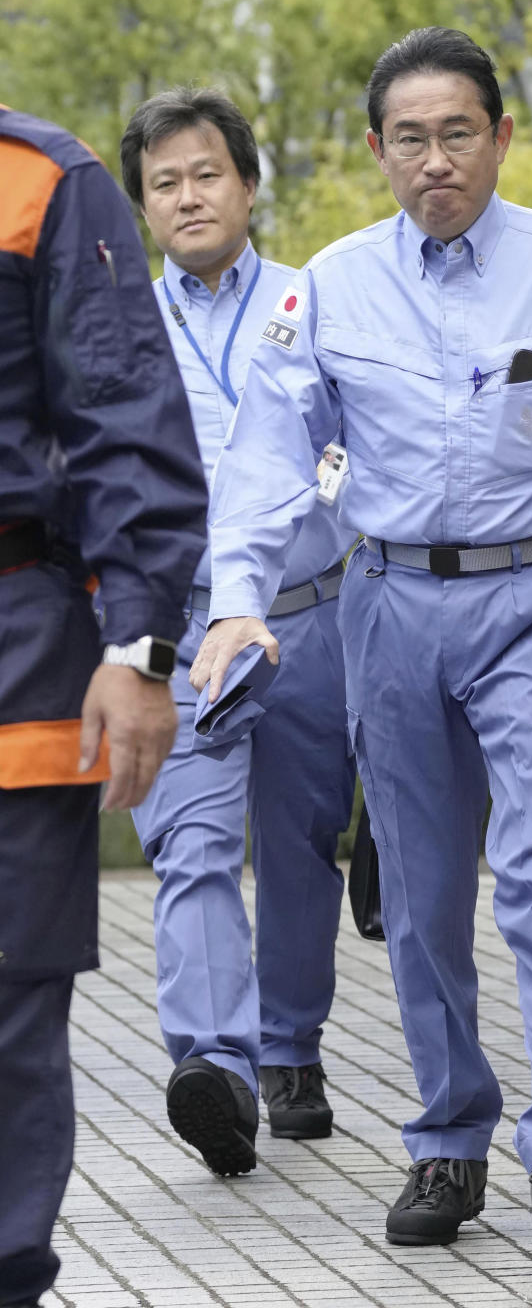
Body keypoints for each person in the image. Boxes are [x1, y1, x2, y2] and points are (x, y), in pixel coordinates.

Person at [190, 28, 532, 1267]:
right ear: (376, 151)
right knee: (416, 895)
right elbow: (264, 453)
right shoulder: (333, 287)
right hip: (389, 606)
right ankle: (450, 1137)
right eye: (408, 138)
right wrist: (239, 595)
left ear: (502, 138)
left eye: (458, 132)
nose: (434, 160)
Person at [118, 88, 356, 1176]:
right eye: (164, 183)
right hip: (181, 633)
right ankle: (212, 1066)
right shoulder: (117, 323)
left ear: (250, 185)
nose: (188, 196)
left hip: (309, 620)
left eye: (206, 173)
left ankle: (290, 1046)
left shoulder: (321, 302)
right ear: (144, 208)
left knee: (304, 846)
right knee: (194, 846)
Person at [0, 107, 207, 1308]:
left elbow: (127, 420)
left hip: (16, 649)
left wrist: (139, 646)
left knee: (9, 1017)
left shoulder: (44, 180)